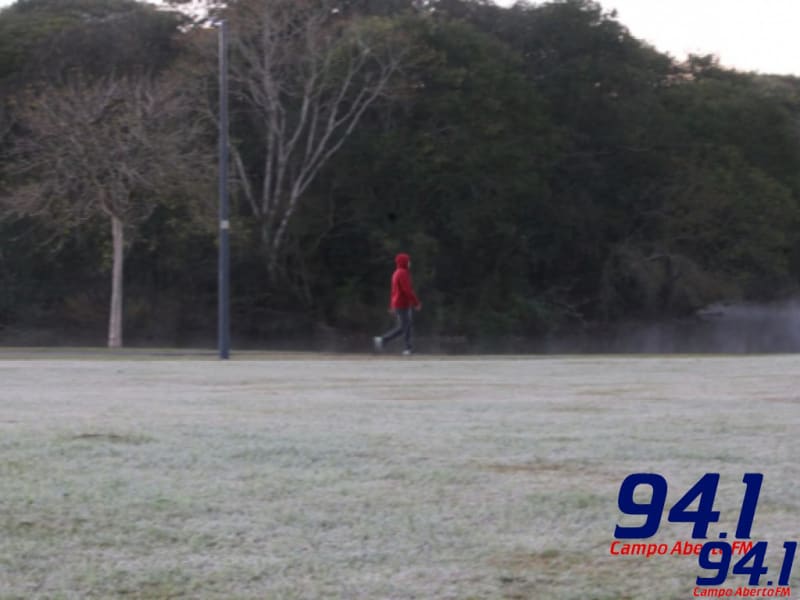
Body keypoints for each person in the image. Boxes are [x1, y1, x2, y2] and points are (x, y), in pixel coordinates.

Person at [374, 253, 422, 355]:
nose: (410, 263)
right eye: (408, 261)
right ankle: (407, 349)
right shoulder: (403, 273)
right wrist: (416, 303)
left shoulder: (396, 273)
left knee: (404, 326)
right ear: (404, 262)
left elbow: (393, 292)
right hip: (402, 304)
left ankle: (384, 340)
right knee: (406, 326)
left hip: (399, 303)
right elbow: (407, 290)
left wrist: (392, 305)